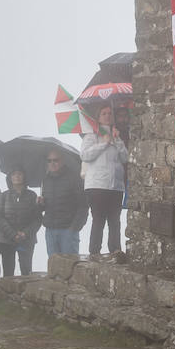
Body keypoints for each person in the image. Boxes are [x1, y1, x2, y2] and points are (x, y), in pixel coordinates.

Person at [81, 103, 128, 257]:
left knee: (115, 220)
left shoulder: (117, 135)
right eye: (104, 113)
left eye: (109, 113)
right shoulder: (91, 135)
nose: (108, 116)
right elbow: (85, 155)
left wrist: (117, 140)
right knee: (99, 219)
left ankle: (115, 250)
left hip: (115, 185)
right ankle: (94, 252)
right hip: (97, 185)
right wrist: (103, 143)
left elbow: (125, 157)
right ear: (98, 117)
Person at [40, 148, 86, 260]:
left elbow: (83, 205)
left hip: (68, 230)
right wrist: (40, 204)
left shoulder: (74, 178)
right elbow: (44, 207)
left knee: (71, 268)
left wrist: (74, 228)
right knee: (54, 270)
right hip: (50, 230)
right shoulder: (45, 180)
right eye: (49, 160)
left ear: (63, 160)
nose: (52, 163)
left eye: (55, 160)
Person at [0, 168, 41, 276]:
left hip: (27, 239)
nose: (17, 176)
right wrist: (12, 234)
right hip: (6, 240)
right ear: (10, 177)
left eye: (20, 174)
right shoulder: (3, 196)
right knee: (8, 271)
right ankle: (7, 293)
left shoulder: (32, 196)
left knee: (26, 271)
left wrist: (25, 233)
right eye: (14, 174)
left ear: (24, 176)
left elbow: (37, 219)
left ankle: (26, 293)